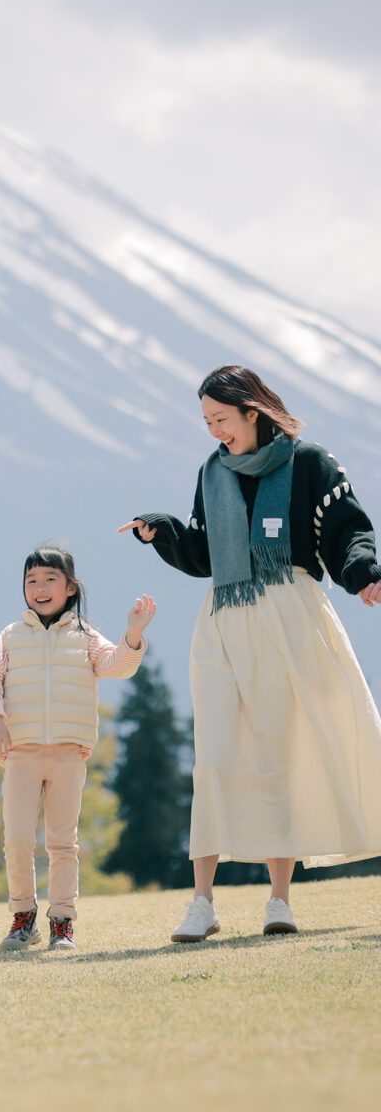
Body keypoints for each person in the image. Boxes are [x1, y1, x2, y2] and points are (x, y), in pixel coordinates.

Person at [120, 365, 381, 942]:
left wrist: (365, 573)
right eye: (207, 422)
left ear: (253, 413)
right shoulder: (211, 472)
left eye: (221, 419)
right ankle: (202, 903)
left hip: (288, 617)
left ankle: (279, 901)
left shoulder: (310, 463)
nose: (215, 431)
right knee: (213, 756)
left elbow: (347, 528)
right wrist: (160, 529)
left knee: (276, 756)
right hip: (222, 619)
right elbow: (203, 552)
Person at [0, 545, 154, 952]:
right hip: (20, 753)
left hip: (68, 754)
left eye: (49, 580)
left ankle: (62, 922)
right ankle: (24, 918)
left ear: (71, 588)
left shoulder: (85, 637)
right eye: (31, 581)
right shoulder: (11, 636)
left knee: (62, 842)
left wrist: (133, 635)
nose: (39, 588)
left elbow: (116, 665)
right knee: (18, 839)